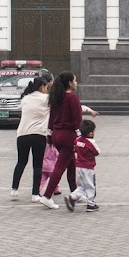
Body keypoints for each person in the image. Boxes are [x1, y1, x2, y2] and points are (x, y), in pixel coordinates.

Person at [41, 71, 83, 208]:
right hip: (68, 136)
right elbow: (77, 120)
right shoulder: (72, 98)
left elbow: (51, 118)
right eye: (75, 81)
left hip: (56, 135)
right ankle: (47, 196)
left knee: (71, 164)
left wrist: (49, 135)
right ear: (70, 83)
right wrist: (80, 135)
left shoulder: (56, 97)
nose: (76, 83)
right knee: (60, 167)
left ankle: (75, 192)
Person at [11, 73, 52, 203]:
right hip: (39, 134)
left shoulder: (25, 99)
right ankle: (35, 193)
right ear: (42, 87)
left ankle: (14, 189)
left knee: (21, 162)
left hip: (22, 134)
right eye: (46, 86)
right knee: (37, 165)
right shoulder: (47, 99)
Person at [64, 119, 100, 212]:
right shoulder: (91, 143)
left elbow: (75, 148)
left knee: (81, 186)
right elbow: (97, 152)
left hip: (79, 166)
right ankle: (91, 204)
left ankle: (72, 197)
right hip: (88, 167)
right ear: (91, 133)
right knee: (90, 185)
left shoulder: (77, 140)